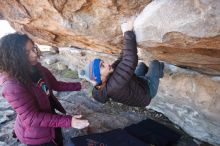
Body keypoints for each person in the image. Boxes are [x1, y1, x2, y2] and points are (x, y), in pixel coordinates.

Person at [0, 33, 89, 146]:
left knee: (58, 140)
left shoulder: (37, 68)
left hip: (50, 118)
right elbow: (31, 118)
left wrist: (79, 85)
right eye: (26, 53)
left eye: (33, 49)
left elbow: (56, 85)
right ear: (13, 58)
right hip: (36, 135)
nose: (34, 55)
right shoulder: (12, 86)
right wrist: (69, 121)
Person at [80, 18, 164, 107]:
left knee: (142, 66)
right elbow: (130, 60)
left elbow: (122, 59)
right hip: (146, 94)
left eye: (103, 62)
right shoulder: (114, 86)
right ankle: (159, 71)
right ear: (100, 78)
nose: (107, 64)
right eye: (102, 66)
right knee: (155, 63)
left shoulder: (107, 76)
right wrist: (128, 32)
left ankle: (151, 75)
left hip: (137, 84)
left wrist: (125, 36)